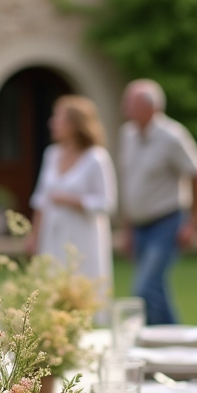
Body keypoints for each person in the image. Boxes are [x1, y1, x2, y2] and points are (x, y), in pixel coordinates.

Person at [116, 79, 197, 326]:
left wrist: (194, 222)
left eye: (130, 102)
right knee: (156, 291)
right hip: (139, 226)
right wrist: (127, 229)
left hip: (166, 222)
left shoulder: (172, 136)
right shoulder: (127, 134)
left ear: (151, 108)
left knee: (144, 289)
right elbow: (129, 184)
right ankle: (177, 340)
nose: (124, 107)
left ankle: (150, 342)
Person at [25, 95, 117, 295]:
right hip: (53, 235)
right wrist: (34, 236)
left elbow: (107, 203)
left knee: (83, 289)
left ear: (75, 124)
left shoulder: (96, 158)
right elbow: (40, 199)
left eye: (58, 117)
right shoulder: (51, 154)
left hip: (83, 237)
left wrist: (73, 201)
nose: (52, 123)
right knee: (52, 289)